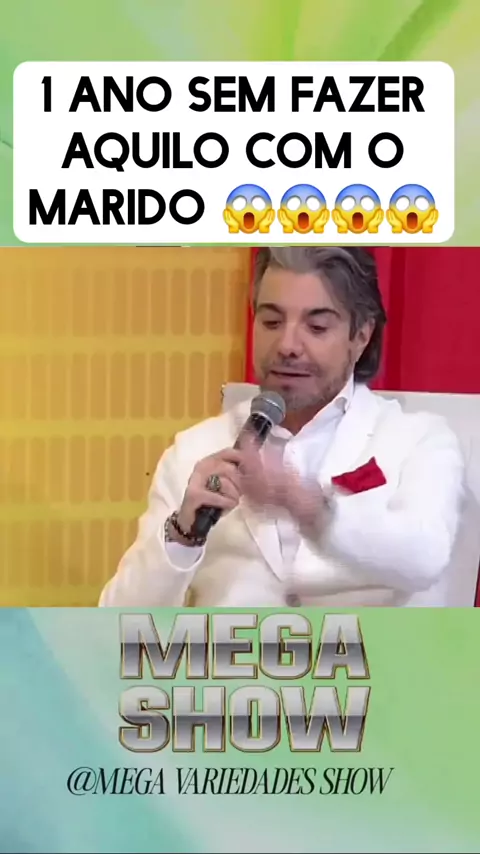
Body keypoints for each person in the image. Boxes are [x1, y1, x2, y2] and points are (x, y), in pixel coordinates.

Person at [99, 246, 466, 608]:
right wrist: (183, 534)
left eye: (317, 327)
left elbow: (426, 558)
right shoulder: (197, 449)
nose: (287, 345)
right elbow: (116, 623)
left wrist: (305, 505)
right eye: (272, 322)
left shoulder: (418, 440)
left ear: (361, 336)